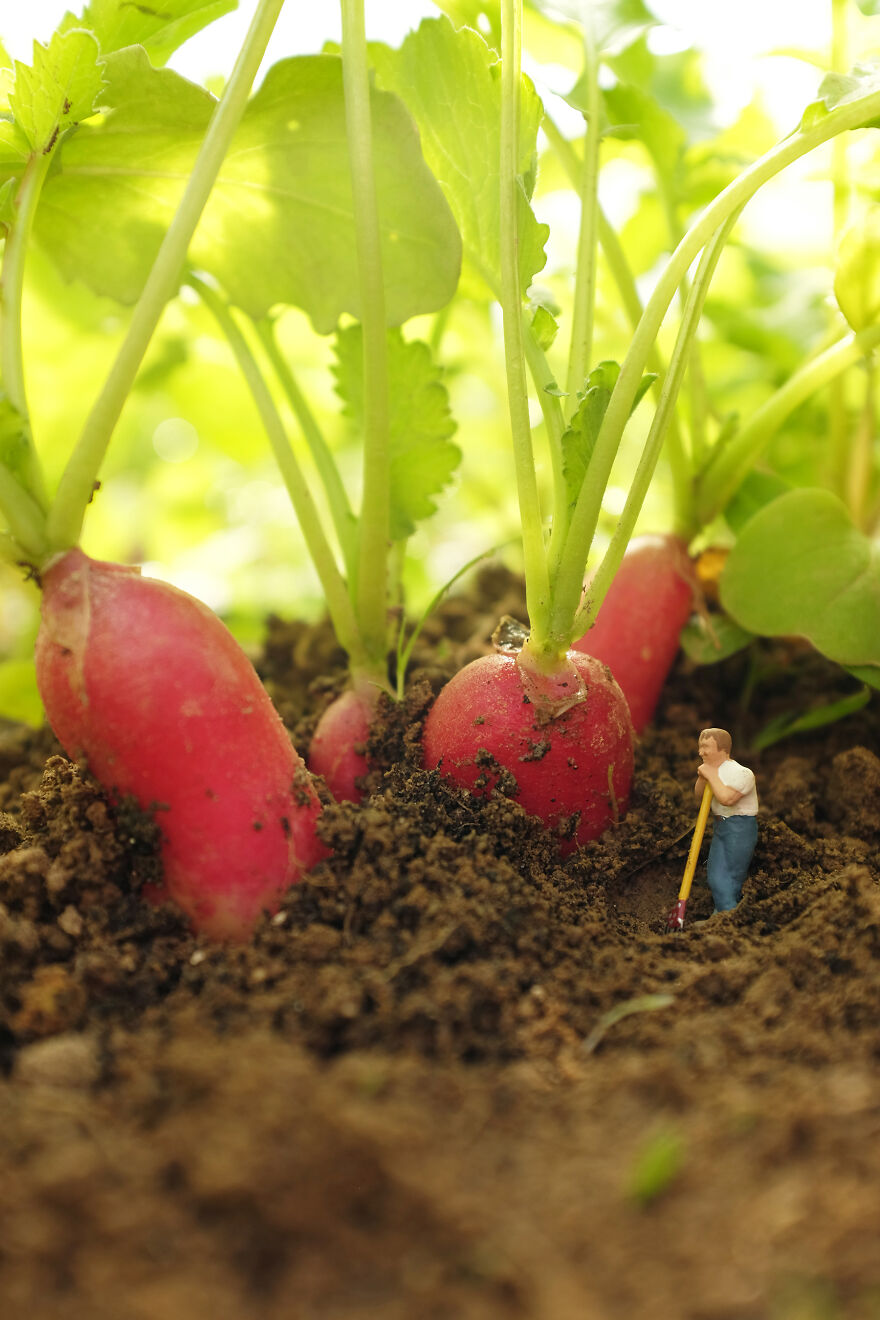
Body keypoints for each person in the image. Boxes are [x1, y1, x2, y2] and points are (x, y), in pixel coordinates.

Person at [694, 727, 758, 914]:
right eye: (700, 747)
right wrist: (702, 778)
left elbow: (727, 799)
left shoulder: (742, 773)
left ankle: (728, 917)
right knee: (715, 874)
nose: (700, 752)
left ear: (722, 749)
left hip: (739, 828)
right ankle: (722, 912)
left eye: (705, 747)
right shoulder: (712, 771)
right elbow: (698, 796)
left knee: (728, 876)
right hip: (721, 826)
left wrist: (711, 775)